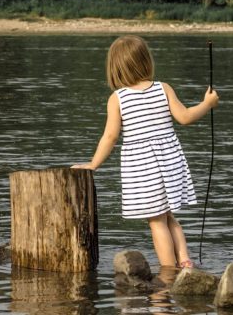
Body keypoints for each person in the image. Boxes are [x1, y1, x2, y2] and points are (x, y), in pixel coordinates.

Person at [73, 35, 218, 269]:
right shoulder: (163, 88)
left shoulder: (118, 98)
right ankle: (185, 261)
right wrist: (207, 104)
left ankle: (169, 271)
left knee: (156, 221)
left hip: (143, 166)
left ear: (115, 68)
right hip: (170, 161)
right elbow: (185, 117)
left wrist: (94, 164)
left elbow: (110, 136)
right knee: (169, 216)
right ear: (146, 61)